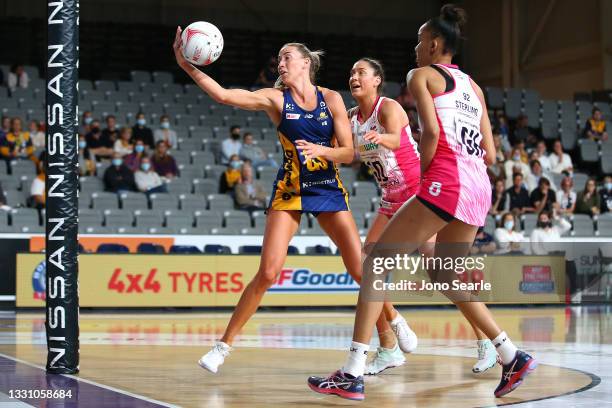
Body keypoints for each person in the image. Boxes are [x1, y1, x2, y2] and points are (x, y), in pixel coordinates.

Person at [308, 5, 535, 400]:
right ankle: (510, 354)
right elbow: (493, 154)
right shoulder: (474, 87)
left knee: (375, 262)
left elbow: (430, 132)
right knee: (445, 275)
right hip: (478, 186)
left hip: (444, 182)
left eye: (418, 41)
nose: (414, 48)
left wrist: (430, 175)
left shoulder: (420, 75)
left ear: (433, 44)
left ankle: (353, 370)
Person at [173, 32, 363, 377]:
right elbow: (224, 95)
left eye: (286, 57)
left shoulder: (332, 98)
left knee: (360, 269)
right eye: (279, 58)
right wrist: (187, 66)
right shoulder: (275, 99)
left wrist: (323, 151)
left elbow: (350, 154)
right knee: (268, 272)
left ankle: (394, 325)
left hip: (326, 187)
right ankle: (222, 347)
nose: (281, 63)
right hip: (290, 189)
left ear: (306, 62)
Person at [348, 58, 424, 375]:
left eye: (361, 72)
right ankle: (390, 339)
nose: (354, 76)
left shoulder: (388, 107)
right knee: (366, 269)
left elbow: (395, 138)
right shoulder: (352, 118)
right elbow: (349, 154)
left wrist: (381, 139)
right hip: (390, 200)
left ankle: (488, 341)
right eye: (352, 73)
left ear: (377, 79)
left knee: (441, 270)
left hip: (418, 195)